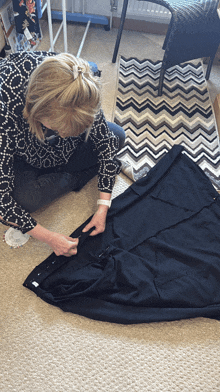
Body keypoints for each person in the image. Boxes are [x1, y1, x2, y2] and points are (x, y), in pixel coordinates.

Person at [0, 51, 125, 257]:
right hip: (17, 156)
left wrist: (103, 205)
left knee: (116, 135)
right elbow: (2, 201)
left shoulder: (78, 84)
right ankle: (74, 176)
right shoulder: (4, 112)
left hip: (52, 149)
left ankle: (63, 171)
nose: (66, 135)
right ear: (37, 112)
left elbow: (105, 140)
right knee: (24, 200)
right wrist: (50, 238)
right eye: (60, 128)